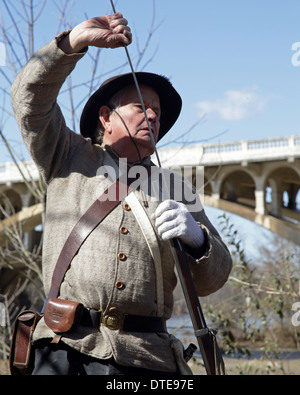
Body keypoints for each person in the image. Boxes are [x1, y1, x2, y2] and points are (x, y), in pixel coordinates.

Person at [11, 13, 232, 375]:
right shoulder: (68, 156)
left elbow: (214, 278)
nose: (152, 116)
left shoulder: (176, 187)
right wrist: (72, 43)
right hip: (67, 351)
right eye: (140, 107)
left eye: (157, 111)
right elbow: (27, 100)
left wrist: (198, 241)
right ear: (106, 117)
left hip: (151, 360)